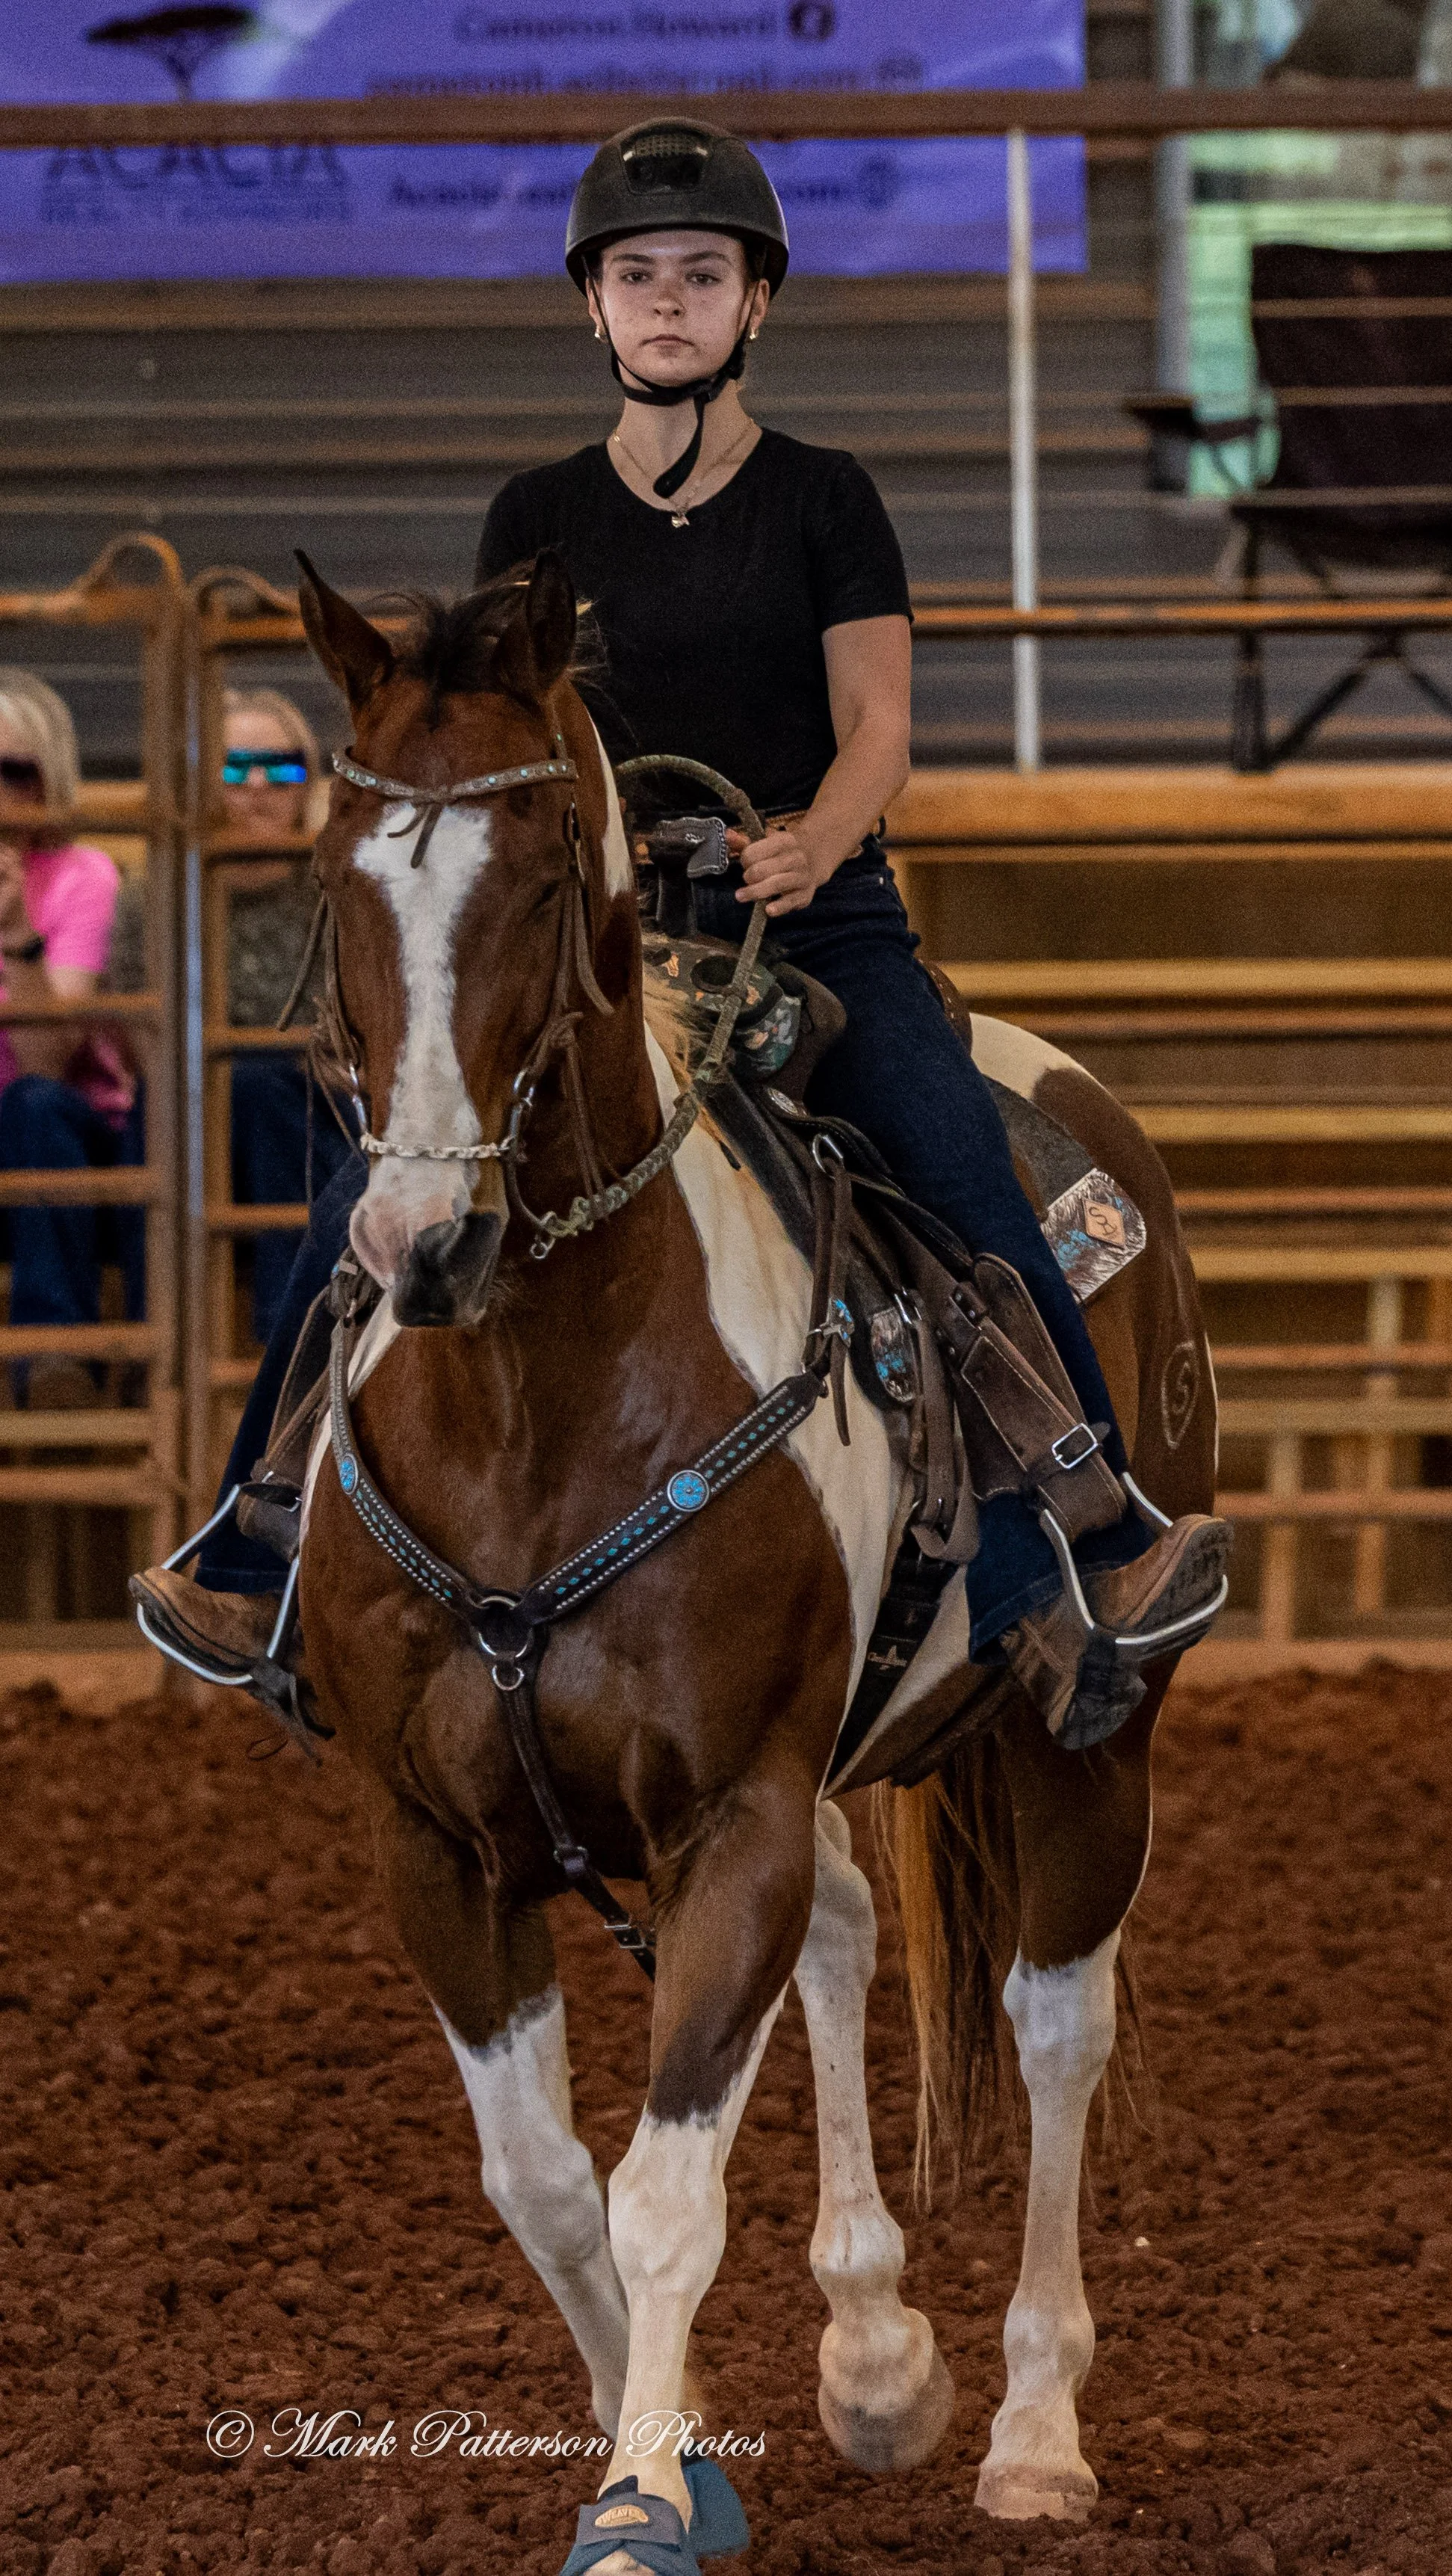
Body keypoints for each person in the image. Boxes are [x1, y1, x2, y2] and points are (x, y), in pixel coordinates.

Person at [137, 121, 1227, 1745]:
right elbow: (506, 732)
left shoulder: (822, 500)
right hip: (599, 940)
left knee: (952, 1158)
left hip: (815, 918)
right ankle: (261, 1531)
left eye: (699, 276)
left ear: (753, 305)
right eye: (636, 276)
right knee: (381, 1184)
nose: (666, 303)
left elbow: (877, 727)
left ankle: (1093, 1534)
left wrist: (813, 843)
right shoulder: (537, 508)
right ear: (592, 307)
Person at [0, 670, 142, 1407]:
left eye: (12, 772)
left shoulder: (82, 876)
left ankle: (57, 1356)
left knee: (34, 1105)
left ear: (48, 777)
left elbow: (47, 1058)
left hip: (61, 1142)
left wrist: (17, 931)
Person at [220, 688, 358, 1342]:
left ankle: (290, 1329)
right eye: (233, 766)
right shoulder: (161, 891)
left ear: (310, 784)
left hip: (311, 1110)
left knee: (263, 1083)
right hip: (196, 1123)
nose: (255, 785)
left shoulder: (336, 890)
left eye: (281, 767)